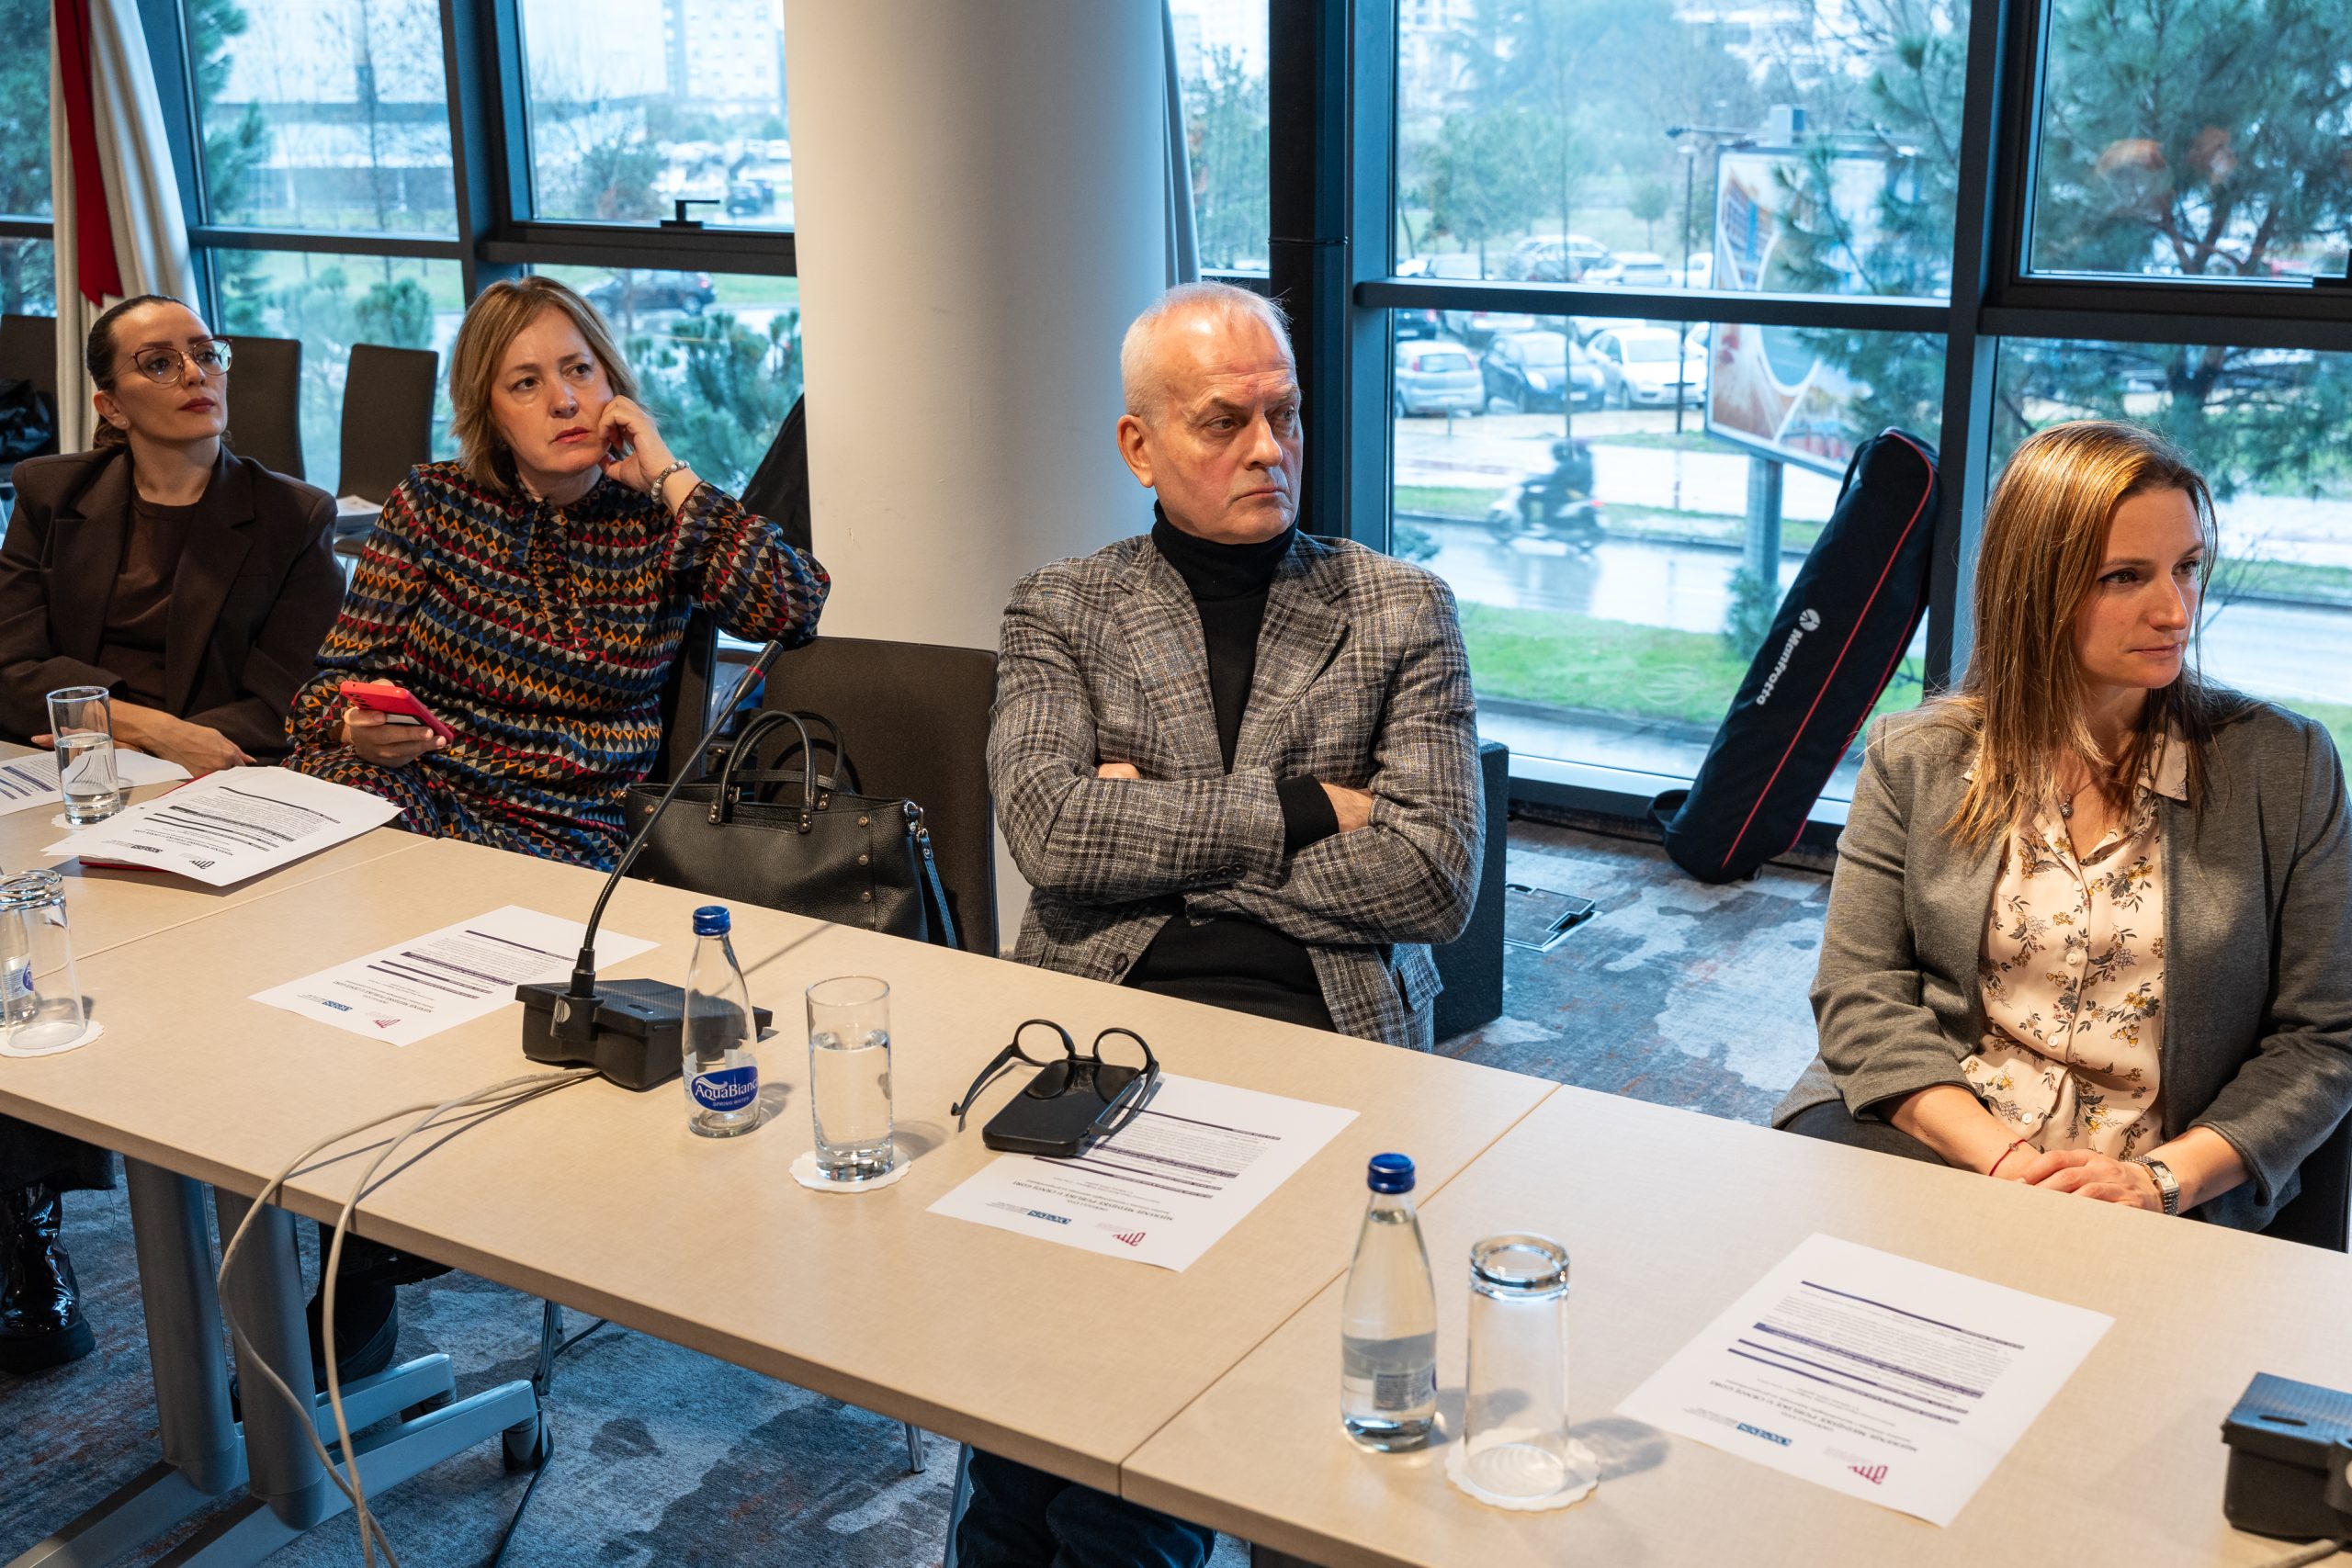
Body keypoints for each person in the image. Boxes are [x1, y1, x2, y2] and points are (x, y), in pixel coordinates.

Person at [964, 283, 1482, 1567]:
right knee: (1023, 1421)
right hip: (1105, 1022)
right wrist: (1309, 808)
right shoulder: (1060, 607)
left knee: (1142, 1450)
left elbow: (1434, 878)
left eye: (1284, 415)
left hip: (1322, 1029)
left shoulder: (1399, 607)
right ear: (1138, 445)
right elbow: (1052, 833)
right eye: (1224, 422)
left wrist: (1159, 837)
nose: (1269, 449)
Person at [1776, 420, 2352, 1233]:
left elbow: (2325, 1033)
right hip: (1946, 1138)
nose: (2175, 609)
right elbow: (1858, 993)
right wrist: (2008, 1165)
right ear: (2035, 586)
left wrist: (2157, 1181)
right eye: (2126, 576)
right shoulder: (1915, 760)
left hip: (2166, 1179)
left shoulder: (2283, 766)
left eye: (2187, 568)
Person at [0, 295, 344, 1373]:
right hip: (69, 781)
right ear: (110, 403)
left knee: (78, 947)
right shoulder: (51, 496)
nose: (197, 373)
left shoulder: (289, 516)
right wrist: (144, 726)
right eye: (160, 361)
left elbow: (281, 703)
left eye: (206, 352)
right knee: (21, 953)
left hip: (214, 798)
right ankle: (26, 1224)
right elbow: (8, 671)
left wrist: (130, 738)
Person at [284, 276, 830, 869]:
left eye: (579, 370)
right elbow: (323, 695)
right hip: (418, 797)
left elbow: (795, 607)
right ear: (488, 412)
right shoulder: (433, 503)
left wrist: (671, 479)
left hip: (573, 836)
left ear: (612, 382)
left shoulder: (663, 519)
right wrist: (352, 729)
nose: (564, 401)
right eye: (526, 383)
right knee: (339, 807)